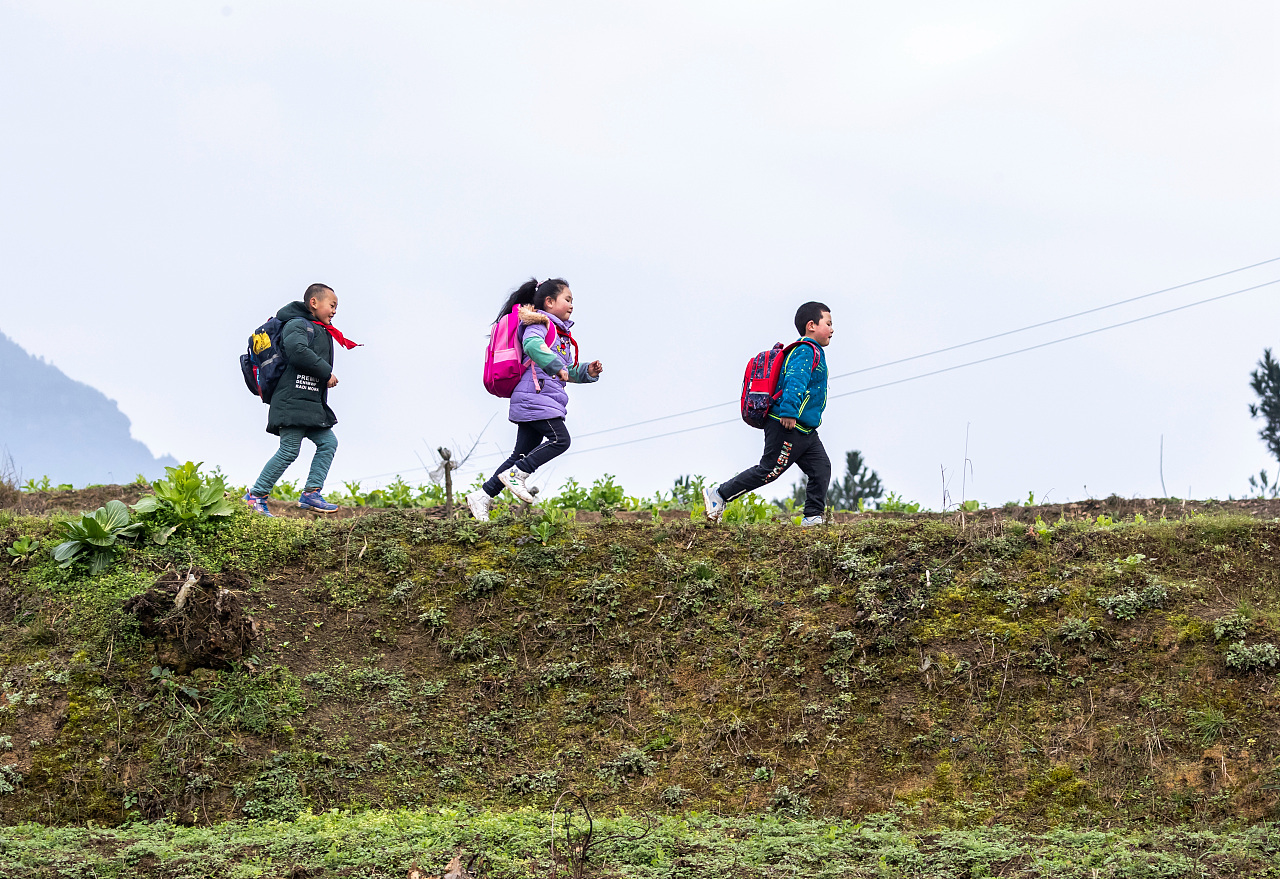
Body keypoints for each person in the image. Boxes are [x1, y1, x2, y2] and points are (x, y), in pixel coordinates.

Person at [468, 278, 603, 521]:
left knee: (519, 455)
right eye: (568, 299)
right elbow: (532, 346)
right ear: (549, 302)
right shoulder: (539, 323)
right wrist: (554, 365)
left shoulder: (559, 334)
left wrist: (586, 372)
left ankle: (483, 496)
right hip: (536, 397)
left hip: (539, 398)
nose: (572, 305)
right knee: (560, 440)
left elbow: (564, 370)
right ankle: (517, 476)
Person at [704, 301, 834, 526]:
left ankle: (813, 517)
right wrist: (789, 411)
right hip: (788, 424)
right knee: (769, 471)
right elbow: (796, 380)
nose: (832, 329)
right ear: (811, 325)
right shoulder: (805, 350)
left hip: (806, 430)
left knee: (821, 468)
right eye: (829, 323)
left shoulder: (814, 352)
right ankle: (719, 495)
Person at [243, 283, 359, 516]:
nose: (335, 311)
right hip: (292, 400)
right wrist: (326, 372)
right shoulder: (297, 324)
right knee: (289, 450)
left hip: (308, 403)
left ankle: (311, 494)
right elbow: (296, 350)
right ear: (314, 303)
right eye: (332, 305)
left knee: (328, 443)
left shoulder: (317, 328)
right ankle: (255, 495)